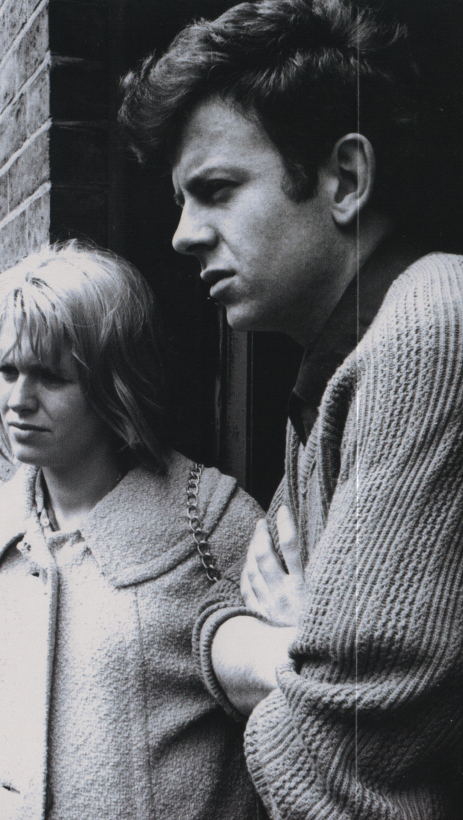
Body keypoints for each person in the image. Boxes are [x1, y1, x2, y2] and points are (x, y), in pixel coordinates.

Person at [118, 1, 463, 817]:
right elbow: (213, 626)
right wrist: (292, 653)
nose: (182, 235)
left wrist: (289, 658)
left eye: (216, 190)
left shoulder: (429, 334)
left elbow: (333, 760)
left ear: (345, 179)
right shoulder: (335, 366)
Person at [0, 241, 265, 820]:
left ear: (115, 384)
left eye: (49, 376)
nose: (18, 399)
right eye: (8, 371)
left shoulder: (214, 525)